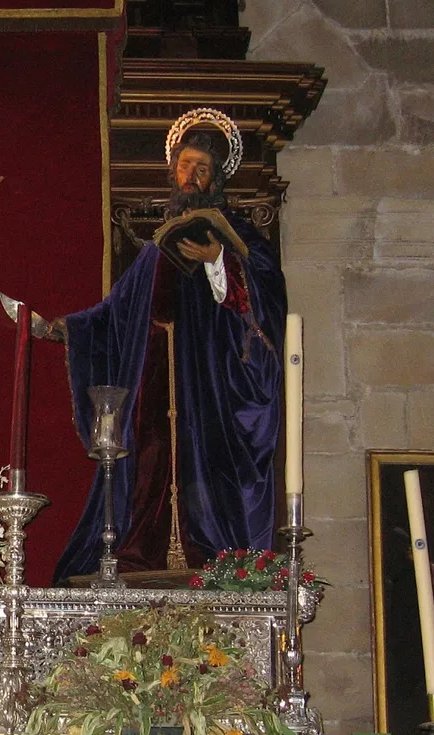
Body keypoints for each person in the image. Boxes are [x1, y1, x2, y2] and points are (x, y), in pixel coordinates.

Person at [50, 108, 287, 580]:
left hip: (209, 379)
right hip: (154, 376)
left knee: (206, 460)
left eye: (202, 168)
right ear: (173, 171)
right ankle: (144, 550)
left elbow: (266, 297)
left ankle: (207, 551)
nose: (191, 176)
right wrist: (69, 328)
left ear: (217, 177)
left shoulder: (238, 235)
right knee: (149, 459)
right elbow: (116, 312)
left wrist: (219, 259)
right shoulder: (155, 249)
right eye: (185, 166)